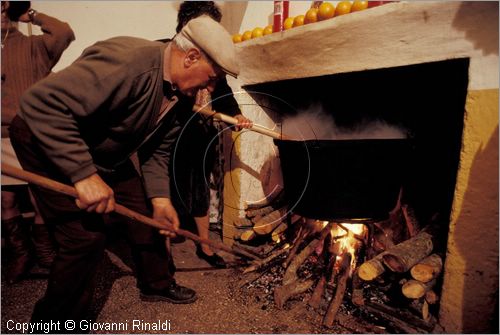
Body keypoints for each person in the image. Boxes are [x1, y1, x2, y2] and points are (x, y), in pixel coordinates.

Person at [9, 15, 239, 331]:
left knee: (146, 214)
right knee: (84, 238)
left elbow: (157, 150)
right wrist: (83, 174)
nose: (210, 87)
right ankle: (54, 323)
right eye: (211, 77)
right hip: (46, 136)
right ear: (191, 57)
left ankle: (156, 283)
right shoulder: (128, 62)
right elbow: (40, 104)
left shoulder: (180, 96)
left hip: (103, 152)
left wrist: (160, 199)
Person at [168, 1, 252, 268]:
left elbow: (224, 92)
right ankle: (163, 251)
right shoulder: (174, 52)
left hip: (200, 136)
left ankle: (204, 246)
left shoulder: (212, 57)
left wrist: (236, 114)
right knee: (166, 192)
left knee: (201, 190)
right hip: (171, 136)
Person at [1, 1, 74, 283]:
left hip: (30, 135)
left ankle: (44, 252)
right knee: (5, 200)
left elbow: (64, 32)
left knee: (39, 198)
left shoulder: (35, 46)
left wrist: (29, 15)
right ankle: (22, 255)